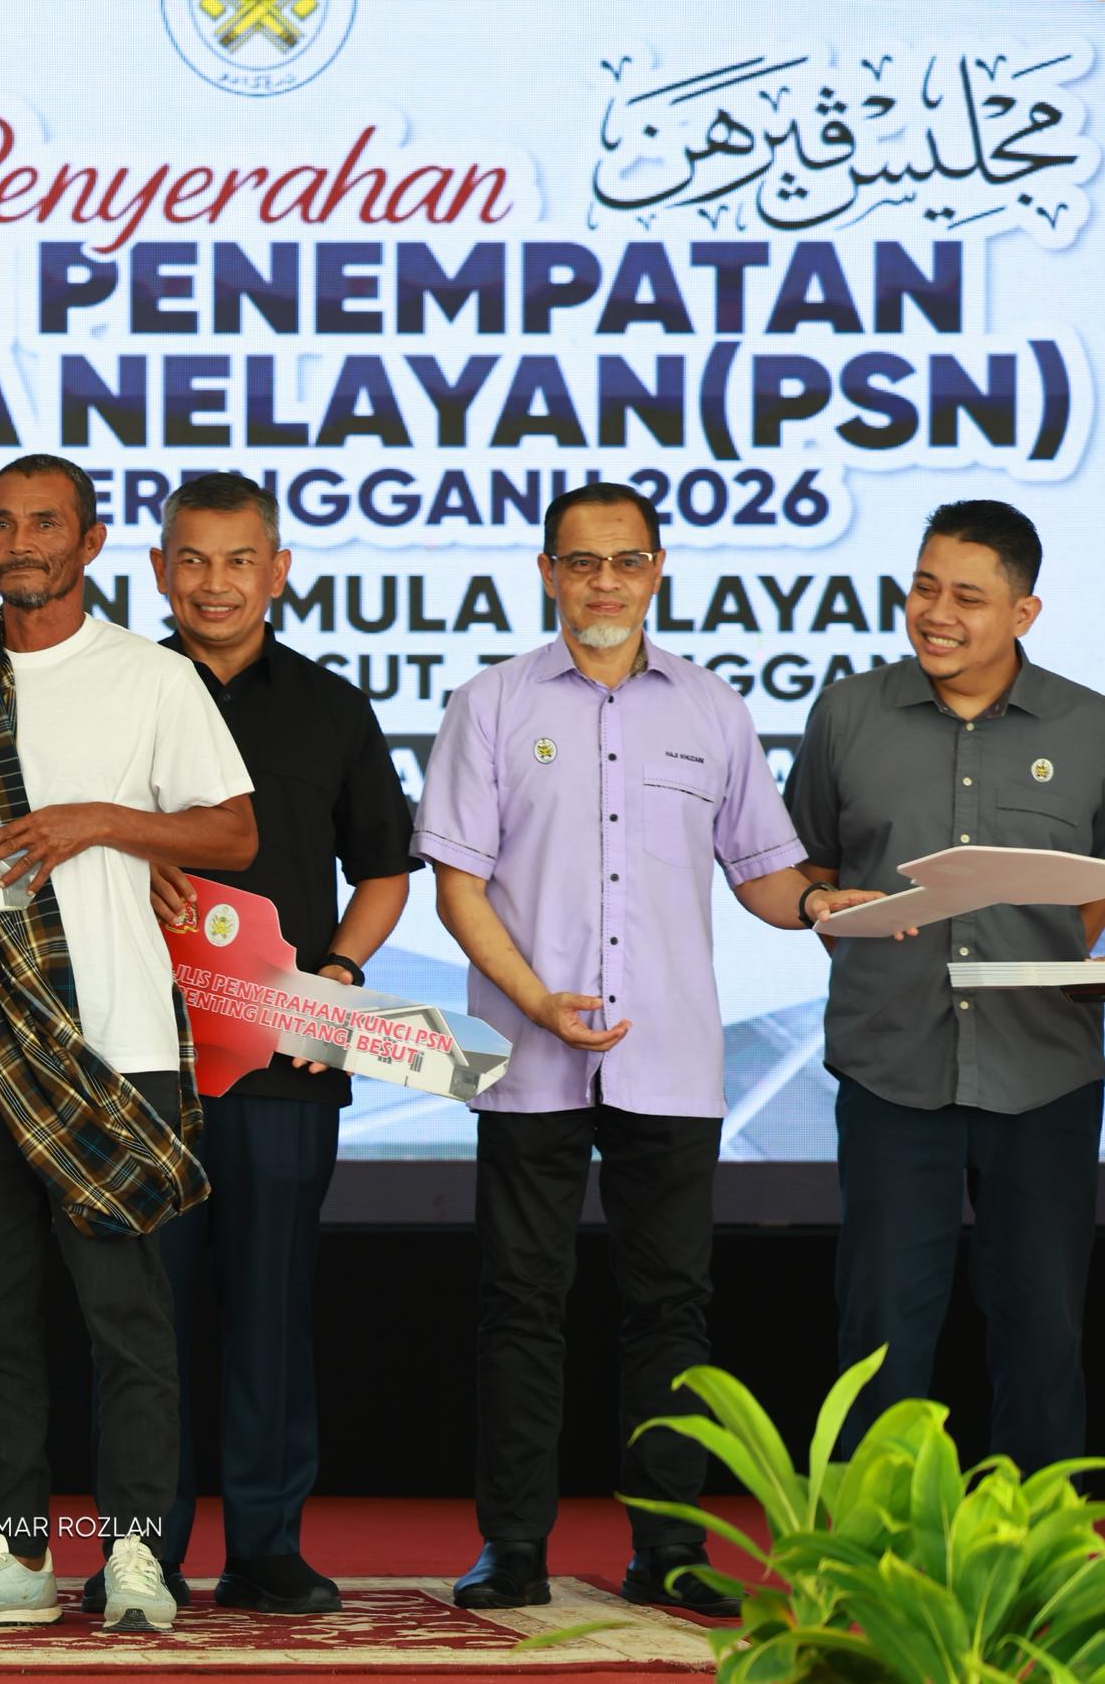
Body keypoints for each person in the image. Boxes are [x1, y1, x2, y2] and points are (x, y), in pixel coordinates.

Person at [411, 481, 881, 1616]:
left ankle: (667, 1547)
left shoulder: (713, 708)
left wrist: (822, 905)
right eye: (581, 562)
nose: (604, 583)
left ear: (656, 569)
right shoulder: (487, 703)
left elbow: (763, 873)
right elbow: (458, 887)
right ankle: (512, 1546)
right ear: (547, 573)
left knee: (670, 1309)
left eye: (625, 561)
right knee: (520, 1303)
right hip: (526, 1059)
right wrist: (536, 1001)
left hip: (669, 1056)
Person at [0, 453, 257, 1636]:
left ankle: (137, 1551)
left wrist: (99, 822)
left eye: (43, 522)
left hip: (117, 1038)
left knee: (126, 1316)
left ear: (90, 542)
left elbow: (232, 831)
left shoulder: (150, 675)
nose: (20, 541)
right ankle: (13, 1549)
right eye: (0, 522)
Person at [87, 472, 417, 1618]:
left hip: (283, 1062)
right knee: (142, 1316)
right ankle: (141, 1547)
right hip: (136, 1057)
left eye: (239, 559)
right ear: (157, 570)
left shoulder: (330, 706)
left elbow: (383, 870)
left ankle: (268, 1544)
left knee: (270, 1309)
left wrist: (339, 976)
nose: (214, 583)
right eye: (192, 558)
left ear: (278, 571)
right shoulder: (111, 695)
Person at [787, 500, 1105, 1473]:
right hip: (891, 1068)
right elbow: (805, 868)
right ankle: (872, 1552)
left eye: (967, 596)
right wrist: (828, 910)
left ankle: (1035, 1551)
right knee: (879, 1336)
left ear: (1024, 611)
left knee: (1044, 1335)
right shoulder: (847, 713)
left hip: (1044, 1072)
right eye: (924, 587)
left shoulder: (1090, 726)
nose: (936, 612)